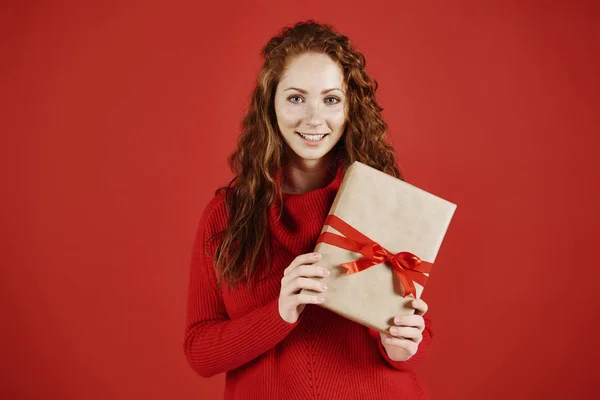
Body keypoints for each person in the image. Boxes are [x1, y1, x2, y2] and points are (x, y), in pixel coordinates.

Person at [184, 20, 433, 400]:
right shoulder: (226, 215)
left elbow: (416, 329)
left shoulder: (385, 202)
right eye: (296, 98)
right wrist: (279, 313)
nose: (314, 118)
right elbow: (200, 352)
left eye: (331, 99)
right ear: (271, 104)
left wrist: (403, 346)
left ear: (350, 108)